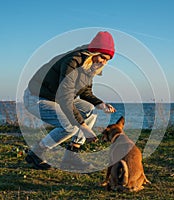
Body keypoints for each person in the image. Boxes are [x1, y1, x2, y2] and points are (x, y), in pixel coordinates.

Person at [23, 31, 116, 171]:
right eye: (102, 57)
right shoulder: (72, 61)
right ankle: (37, 152)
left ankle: (71, 155)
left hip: (58, 99)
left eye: (107, 60)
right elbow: (65, 96)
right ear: (93, 52)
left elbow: (85, 92)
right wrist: (83, 127)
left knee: (90, 110)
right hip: (37, 98)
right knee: (70, 126)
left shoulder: (90, 67)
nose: (103, 62)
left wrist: (100, 104)